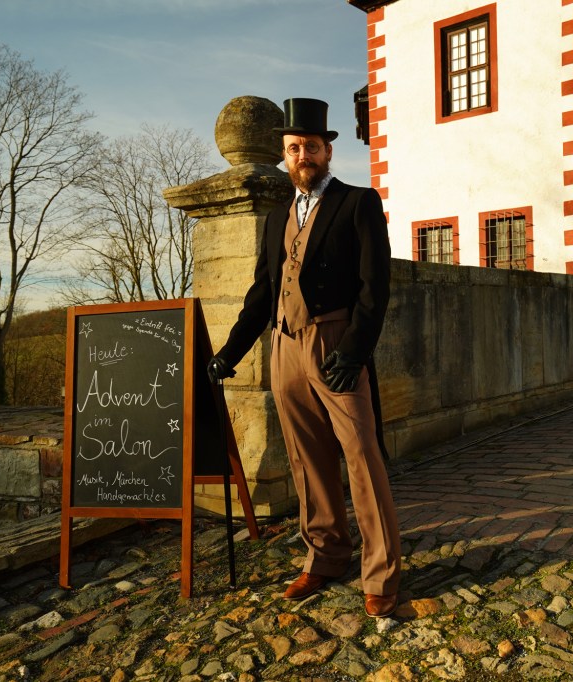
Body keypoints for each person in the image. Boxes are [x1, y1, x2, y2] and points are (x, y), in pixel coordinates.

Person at [206, 98, 401, 618]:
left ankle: (380, 572)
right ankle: (326, 555)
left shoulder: (358, 202)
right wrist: (230, 352)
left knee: (361, 456)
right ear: (285, 155)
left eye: (311, 147)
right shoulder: (276, 219)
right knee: (306, 458)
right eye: (293, 149)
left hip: (335, 344)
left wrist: (355, 350)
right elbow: (262, 292)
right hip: (284, 347)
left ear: (327, 150)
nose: (302, 156)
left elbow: (374, 287)